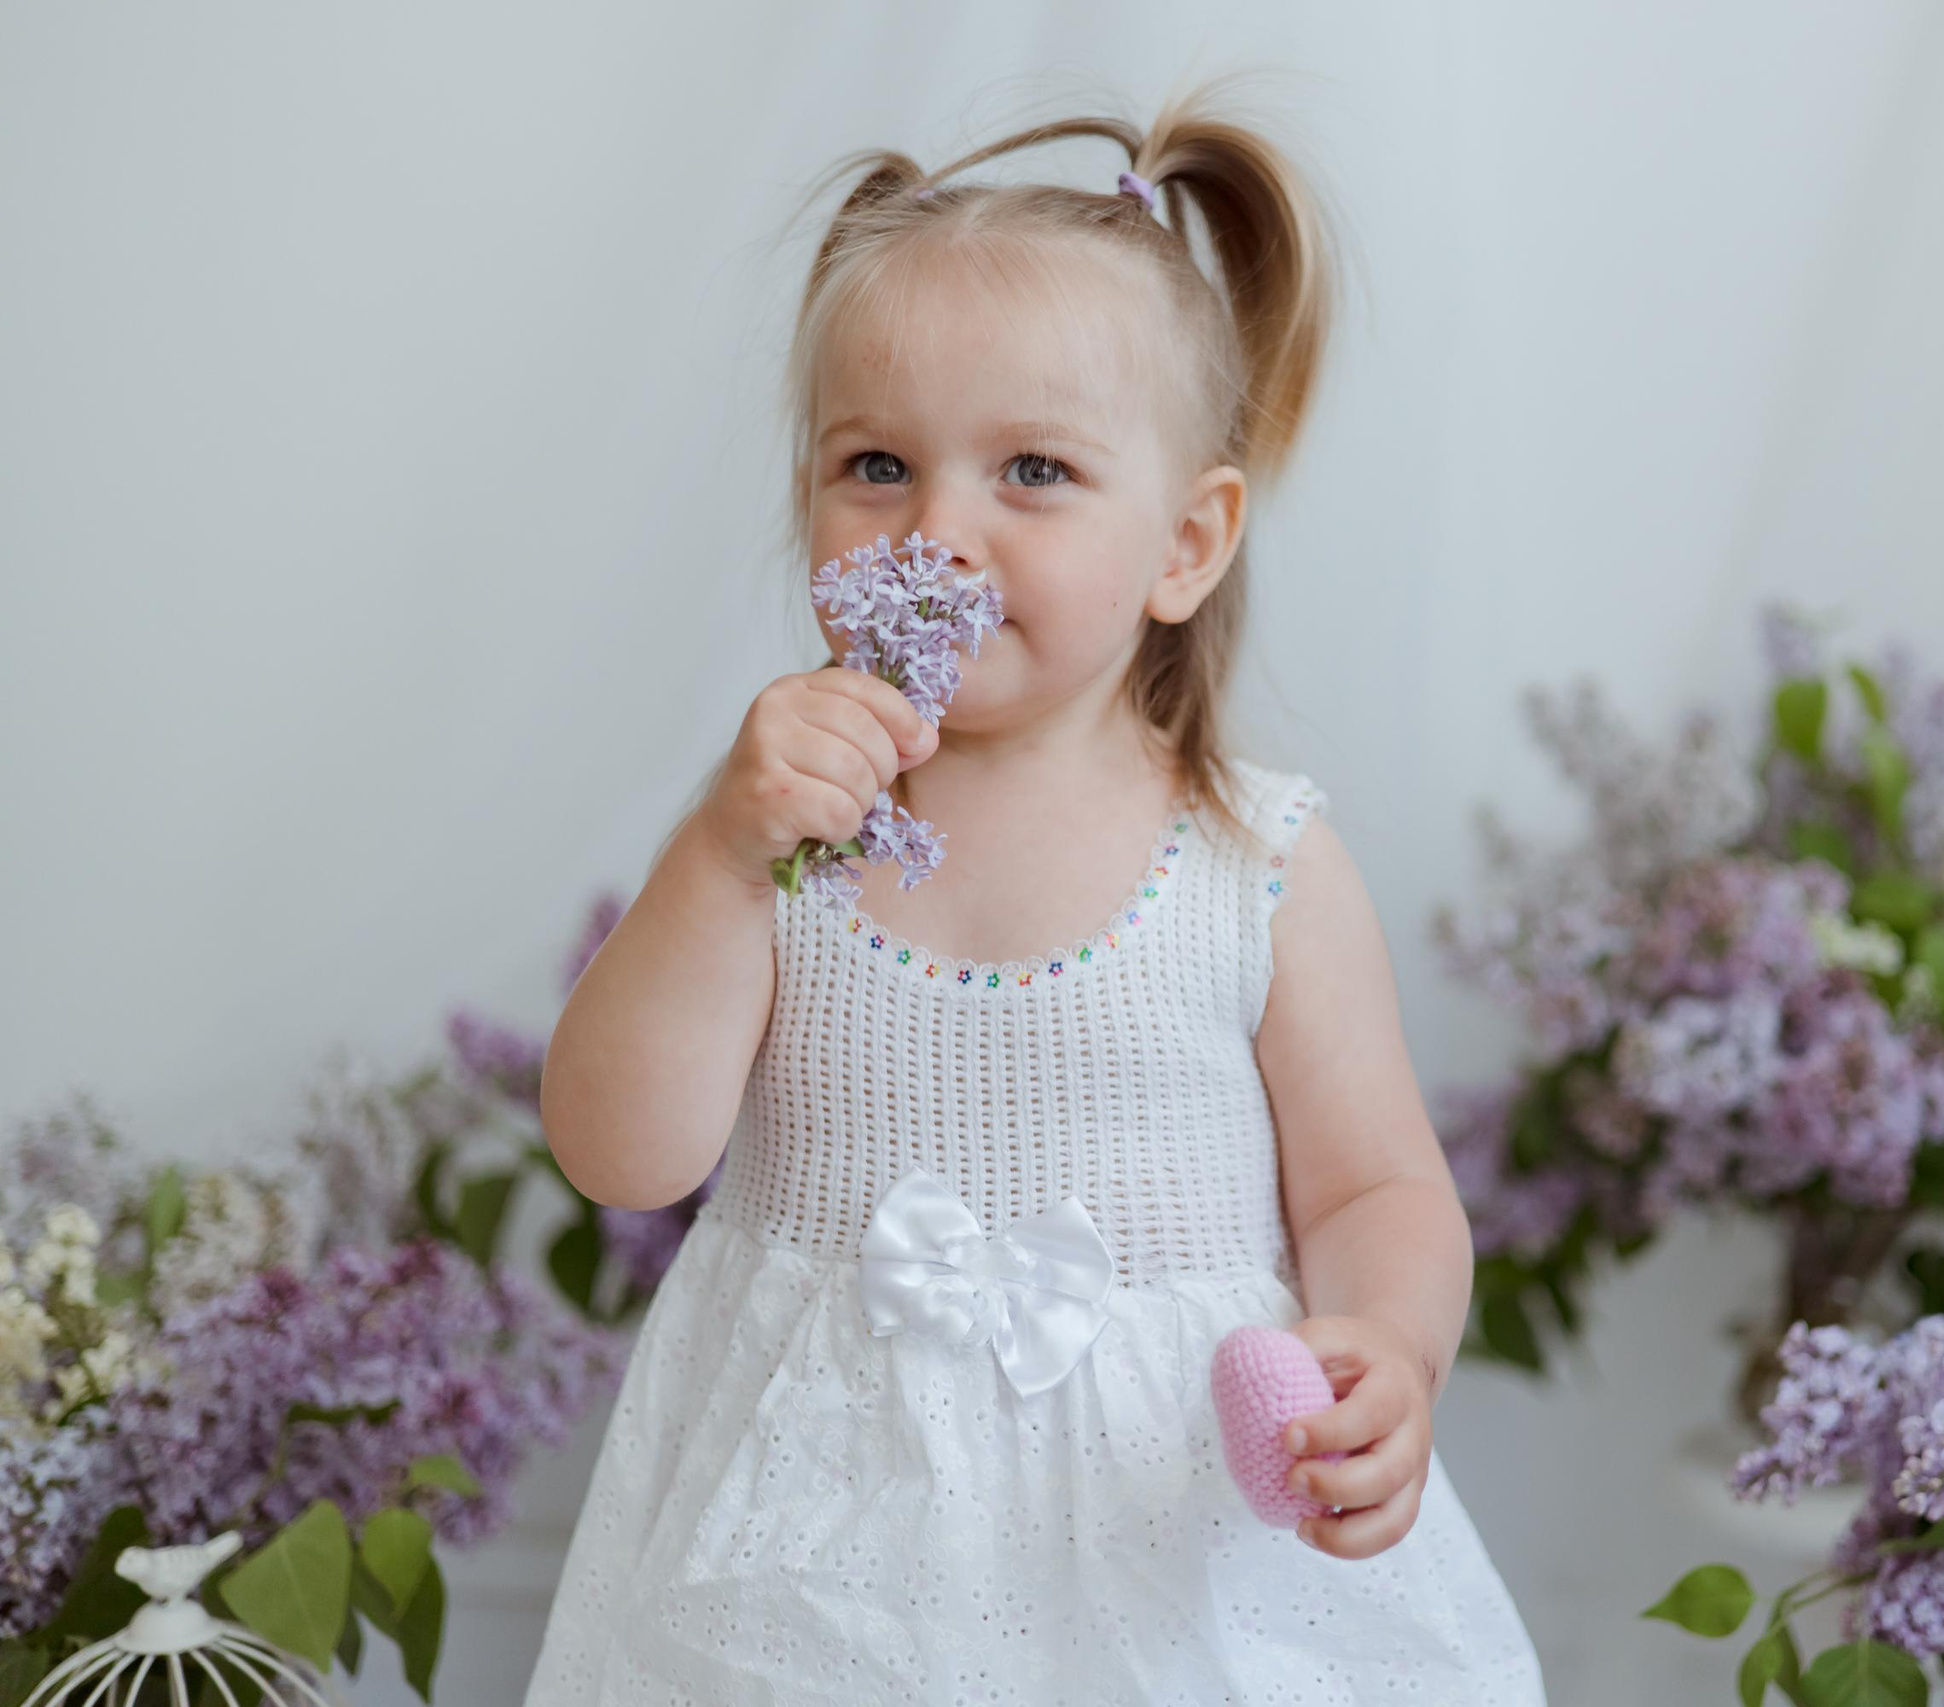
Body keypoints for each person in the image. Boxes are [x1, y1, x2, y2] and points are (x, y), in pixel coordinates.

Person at [519, 80, 1547, 1706]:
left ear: (1186, 545)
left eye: (1035, 473)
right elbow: (619, 1152)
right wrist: (719, 858)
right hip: (821, 1559)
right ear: (811, 504)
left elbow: (1373, 1192)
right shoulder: (778, 840)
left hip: (1171, 1532)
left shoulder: (1255, 865)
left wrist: (1387, 1352)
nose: (939, 529)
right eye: (875, 464)